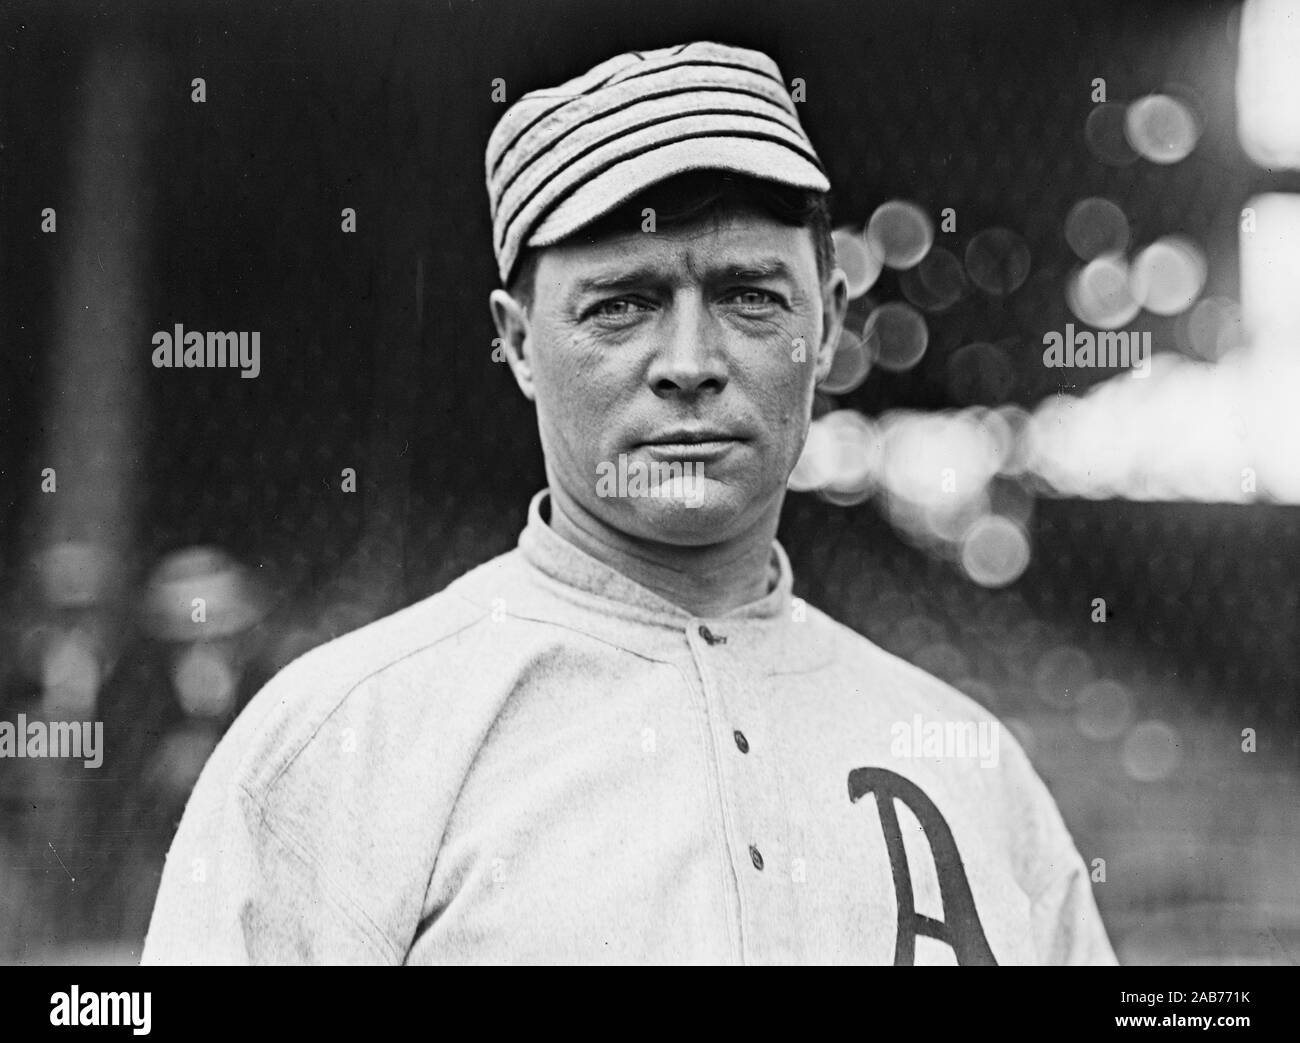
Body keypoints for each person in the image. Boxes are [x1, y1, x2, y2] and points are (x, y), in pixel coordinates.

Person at [142, 40, 1116, 965]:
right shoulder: (342, 741)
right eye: (621, 303)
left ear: (826, 327)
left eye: (749, 296)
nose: (689, 364)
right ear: (519, 342)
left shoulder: (974, 770)